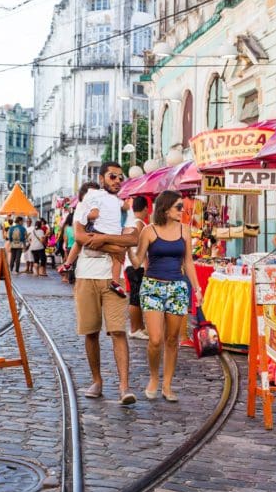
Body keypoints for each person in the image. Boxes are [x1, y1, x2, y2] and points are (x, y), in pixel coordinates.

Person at [74, 161, 139, 405]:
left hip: (114, 278)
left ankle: (124, 387)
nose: (117, 181)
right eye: (113, 176)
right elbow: (80, 236)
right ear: (102, 178)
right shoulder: (88, 200)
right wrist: (115, 242)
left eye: (120, 177)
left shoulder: (125, 209)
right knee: (91, 331)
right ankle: (97, 380)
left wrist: (100, 238)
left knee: (118, 331)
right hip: (86, 274)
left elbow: (132, 239)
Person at [131, 190, 203, 401]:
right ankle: (154, 377)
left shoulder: (185, 230)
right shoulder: (149, 231)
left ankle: (168, 385)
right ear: (165, 208)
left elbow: (188, 262)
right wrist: (126, 250)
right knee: (155, 339)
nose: (183, 210)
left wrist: (197, 288)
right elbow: (138, 261)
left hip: (177, 288)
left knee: (172, 339)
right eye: (179, 207)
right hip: (152, 286)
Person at [58, 182, 101, 276]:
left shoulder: (99, 205)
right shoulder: (82, 207)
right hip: (88, 231)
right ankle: (68, 263)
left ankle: (68, 263)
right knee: (78, 242)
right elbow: (78, 234)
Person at [124, 196, 151, 340]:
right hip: (136, 264)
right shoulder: (139, 224)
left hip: (131, 264)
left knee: (137, 296)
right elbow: (142, 246)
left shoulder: (131, 222)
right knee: (135, 297)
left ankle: (139, 326)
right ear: (145, 208)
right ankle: (135, 328)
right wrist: (145, 263)